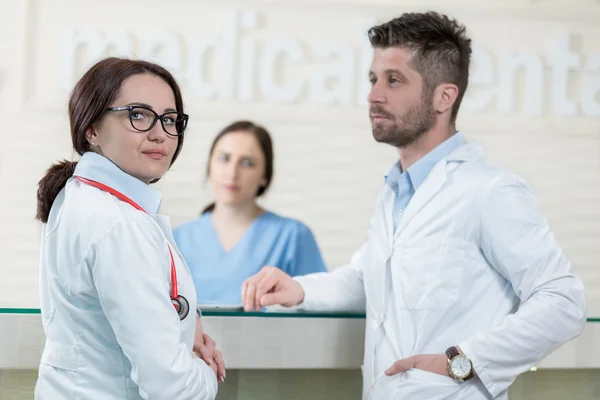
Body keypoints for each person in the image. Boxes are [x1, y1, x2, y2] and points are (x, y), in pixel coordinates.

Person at [241, 12, 587, 400]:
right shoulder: (395, 191)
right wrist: (300, 290)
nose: (374, 95)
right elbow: (372, 278)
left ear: (444, 97)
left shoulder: (492, 191)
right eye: (373, 79)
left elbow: (563, 300)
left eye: (394, 80)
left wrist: (464, 360)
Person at [34, 57, 225, 400]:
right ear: (91, 128)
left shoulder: (78, 197)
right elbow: (172, 388)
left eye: (169, 119)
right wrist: (204, 370)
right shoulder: (119, 224)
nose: (159, 133)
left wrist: (185, 321)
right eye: (138, 114)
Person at [173, 120, 327, 305]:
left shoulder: (293, 236)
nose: (232, 172)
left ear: (264, 175)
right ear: (210, 165)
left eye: (247, 163)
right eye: (224, 158)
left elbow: (315, 308)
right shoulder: (176, 239)